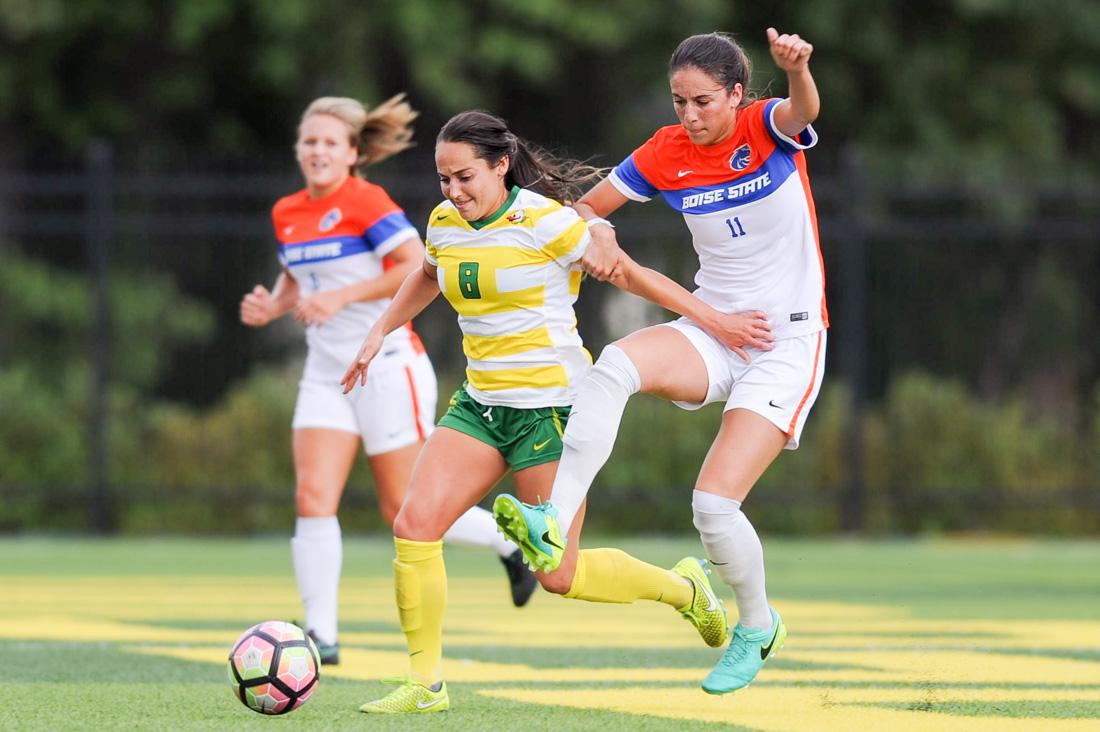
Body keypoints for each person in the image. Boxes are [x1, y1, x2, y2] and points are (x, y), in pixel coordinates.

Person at [341, 110, 755, 714]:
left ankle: (684, 588)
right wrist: (379, 329)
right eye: (443, 180)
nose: (453, 192)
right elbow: (427, 275)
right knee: (413, 526)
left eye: (464, 177)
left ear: (500, 166)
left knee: (558, 576)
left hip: (551, 414)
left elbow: (633, 278)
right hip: (480, 408)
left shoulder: (546, 222)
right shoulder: (444, 221)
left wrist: (714, 321)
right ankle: (425, 685)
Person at [494, 28, 825, 695]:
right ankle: (553, 523)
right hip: (713, 327)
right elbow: (587, 207)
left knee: (712, 506)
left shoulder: (765, 126)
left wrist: (798, 72)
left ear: (736, 94)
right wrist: (597, 226)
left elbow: (804, 113)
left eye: (703, 101)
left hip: (785, 344)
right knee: (613, 364)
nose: (690, 116)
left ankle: (756, 625)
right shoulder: (666, 150)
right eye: (679, 102)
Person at [239, 94, 536, 666]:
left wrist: (341, 297)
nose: (317, 151)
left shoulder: (366, 202)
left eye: (329, 142)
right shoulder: (287, 212)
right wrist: (271, 306)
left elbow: (414, 263)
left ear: (352, 152)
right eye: (309, 142)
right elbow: (300, 282)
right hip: (326, 373)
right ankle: (321, 636)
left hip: (387, 365)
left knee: (402, 506)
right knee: (312, 497)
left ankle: (509, 543)